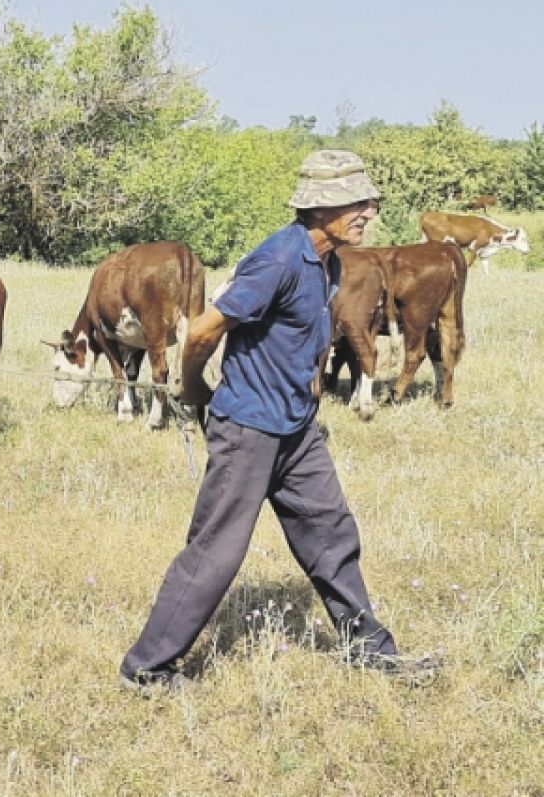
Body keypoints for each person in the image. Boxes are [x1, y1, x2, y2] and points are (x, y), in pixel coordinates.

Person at [120, 150, 438, 692]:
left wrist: (309, 395)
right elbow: (202, 332)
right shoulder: (279, 260)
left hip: (296, 429)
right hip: (248, 430)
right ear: (320, 209)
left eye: (369, 201)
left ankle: (369, 650)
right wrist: (195, 390)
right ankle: (146, 668)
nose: (369, 211)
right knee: (216, 550)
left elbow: (303, 341)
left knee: (332, 533)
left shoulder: (328, 262)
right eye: (355, 203)